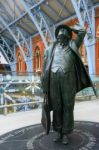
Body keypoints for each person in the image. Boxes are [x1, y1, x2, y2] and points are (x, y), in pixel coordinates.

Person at [41, 24, 97, 145]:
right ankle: (58, 132)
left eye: (64, 32)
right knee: (57, 107)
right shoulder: (51, 49)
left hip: (68, 80)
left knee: (68, 106)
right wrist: (44, 87)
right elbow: (44, 68)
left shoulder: (73, 45)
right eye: (59, 32)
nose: (61, 33)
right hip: (53, 81)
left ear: (68, 36)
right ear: (57, 36)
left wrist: (70, 28)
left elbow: (82, 31)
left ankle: (66, 133)